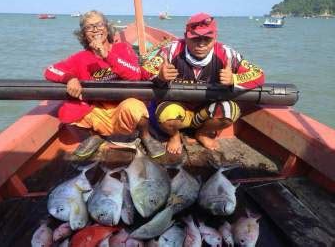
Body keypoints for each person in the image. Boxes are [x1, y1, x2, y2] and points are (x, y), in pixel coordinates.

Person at [44, 10, 165, 158]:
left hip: (123, 110)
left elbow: (135, 75)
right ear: (83, 34)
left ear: (107, 29)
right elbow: (51, 70)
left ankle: (146, 137)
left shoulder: (123, 49)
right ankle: (95, 137)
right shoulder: (79, 58)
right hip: (99, 112)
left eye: (99, 24)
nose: (95, 29)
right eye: (89, 27)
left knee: (135, 107)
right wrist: (69, 78)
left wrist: (107, 56)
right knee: (68, 110)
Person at [154, 12, 265, 154]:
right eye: (195, 38)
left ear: (215, 37)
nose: (201, 44)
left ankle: (202, 133)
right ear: (185, 36)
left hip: (206, 113)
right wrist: (159, 75)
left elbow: (259, 74)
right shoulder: (170, 50)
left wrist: (234, 79)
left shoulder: (227, 54)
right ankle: (174, 135)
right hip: (177, 109)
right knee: (165, 114)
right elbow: (144, 71)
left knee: (230, 111)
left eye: (207, 39)